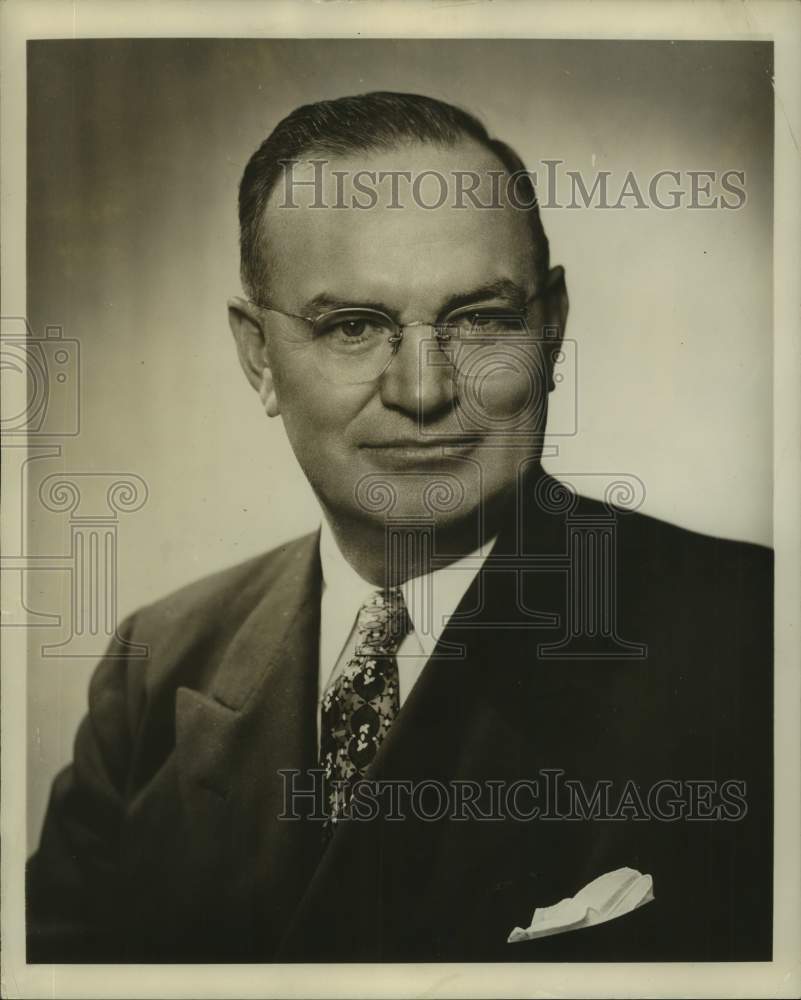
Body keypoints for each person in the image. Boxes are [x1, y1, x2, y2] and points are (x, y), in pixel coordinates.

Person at [27, 92, 772, 964]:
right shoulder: (155, 668)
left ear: (552, 327)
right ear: (257, 356)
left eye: (481, 320)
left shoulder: (754, 643)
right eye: (352, 327)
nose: (422, 391)